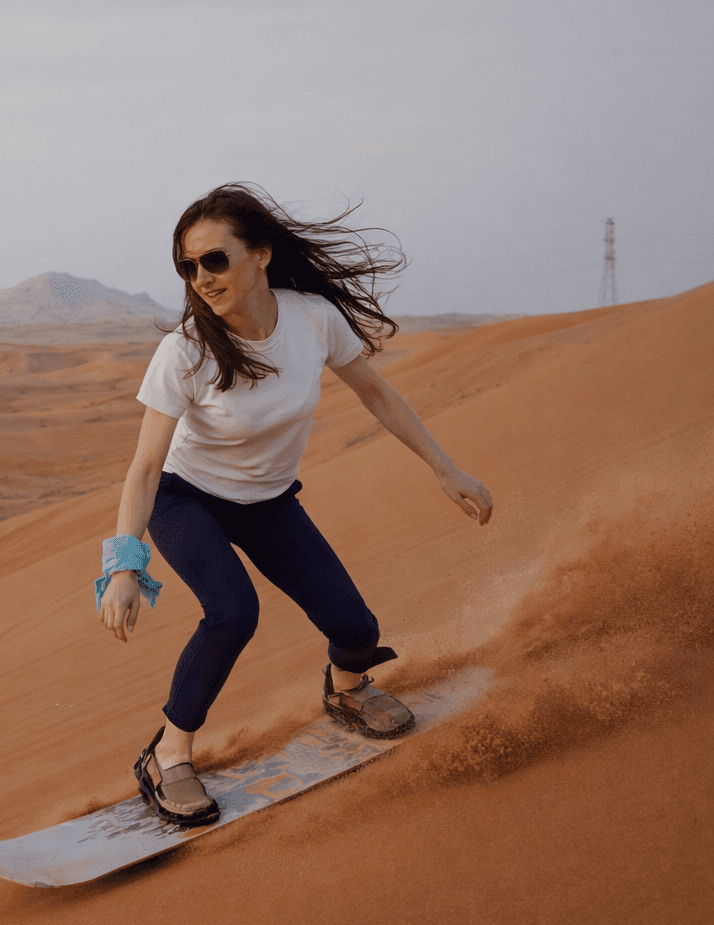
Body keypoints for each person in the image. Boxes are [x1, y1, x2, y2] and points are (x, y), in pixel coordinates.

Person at [95, 183, 493, 825]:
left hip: (268, 501)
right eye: (187, 267)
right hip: (187, 499)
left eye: (214, 260)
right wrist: (123, 567)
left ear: (260, 255)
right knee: (232, 612)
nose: (201, 278)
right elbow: (144, 467)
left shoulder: (313, 319)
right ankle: (168, 754)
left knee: (356, 630)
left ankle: (347, 690)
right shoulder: (187, 350)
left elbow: (377, 393)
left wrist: (446, 469)